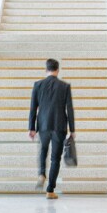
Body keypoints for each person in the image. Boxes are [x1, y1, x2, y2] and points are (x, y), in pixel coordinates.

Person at [28, 58, 75, 200]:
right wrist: (72, 129)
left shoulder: (38, 85)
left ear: (46, 69)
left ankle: (42, 173)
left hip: (43, 125)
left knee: (43, 150)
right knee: (55, 159)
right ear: (58, 70)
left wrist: (31, 128)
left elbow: (33, 109)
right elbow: (69, 109)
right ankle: (50, 190)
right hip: (59, 126)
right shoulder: (65, 86)